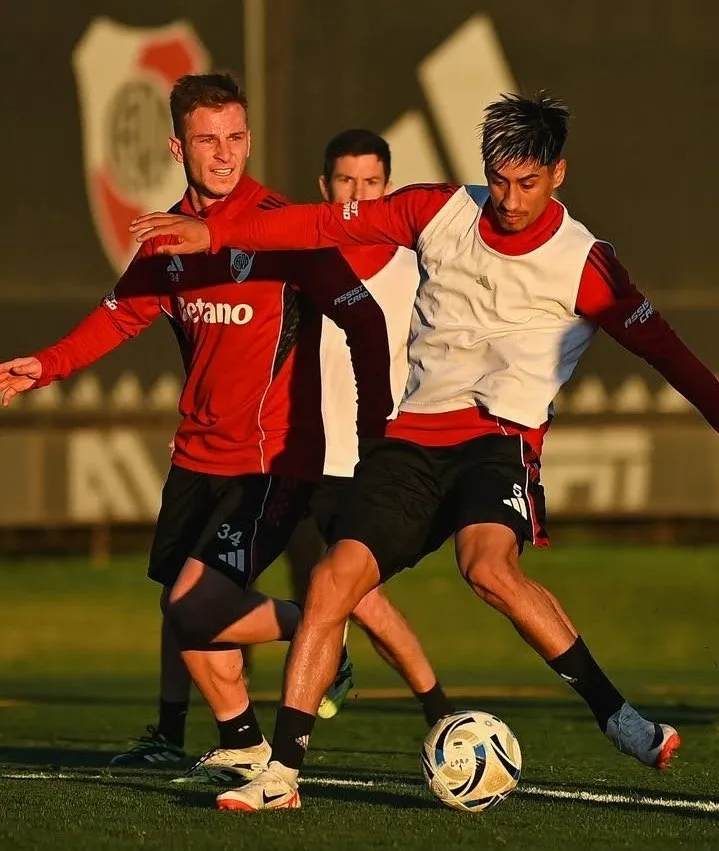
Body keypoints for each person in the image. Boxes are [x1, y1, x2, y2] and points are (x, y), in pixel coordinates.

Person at [129, 91, 719, 812]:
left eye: (526, 183)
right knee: (330, 583)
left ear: (557, 174)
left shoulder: (585, 264)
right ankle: (280, 771)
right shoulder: (437, 209)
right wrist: (214, 232)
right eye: (497, 180)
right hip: (409, 442)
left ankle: (616, 715)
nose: (507, 198)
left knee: (486, 567)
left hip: (496, 440)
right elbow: (315, 221)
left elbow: (668, 354)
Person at [0, 75, 452, 783]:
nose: (224, 154)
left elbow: (362, 317)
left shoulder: (281, 227)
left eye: (236, 137)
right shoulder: (168, 236)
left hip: (269, 461)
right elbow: (123, 312)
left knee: (193, 602)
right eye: (207, 139)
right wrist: (45, 366)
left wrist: (371, 430)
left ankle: (320, 625)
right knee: (184, 613)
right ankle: (242, 737)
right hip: (195, 456)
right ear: (178, 146)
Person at [284, 128, 456, 721]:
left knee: (360, 597)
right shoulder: (300, 258)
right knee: (298, 590)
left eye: (372, 183)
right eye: (345, 181)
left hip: (365, 456)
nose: (357, 193)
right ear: (323, 186)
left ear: (388, 188)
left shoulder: (415, 269)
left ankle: (440, 712)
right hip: (292, 451)